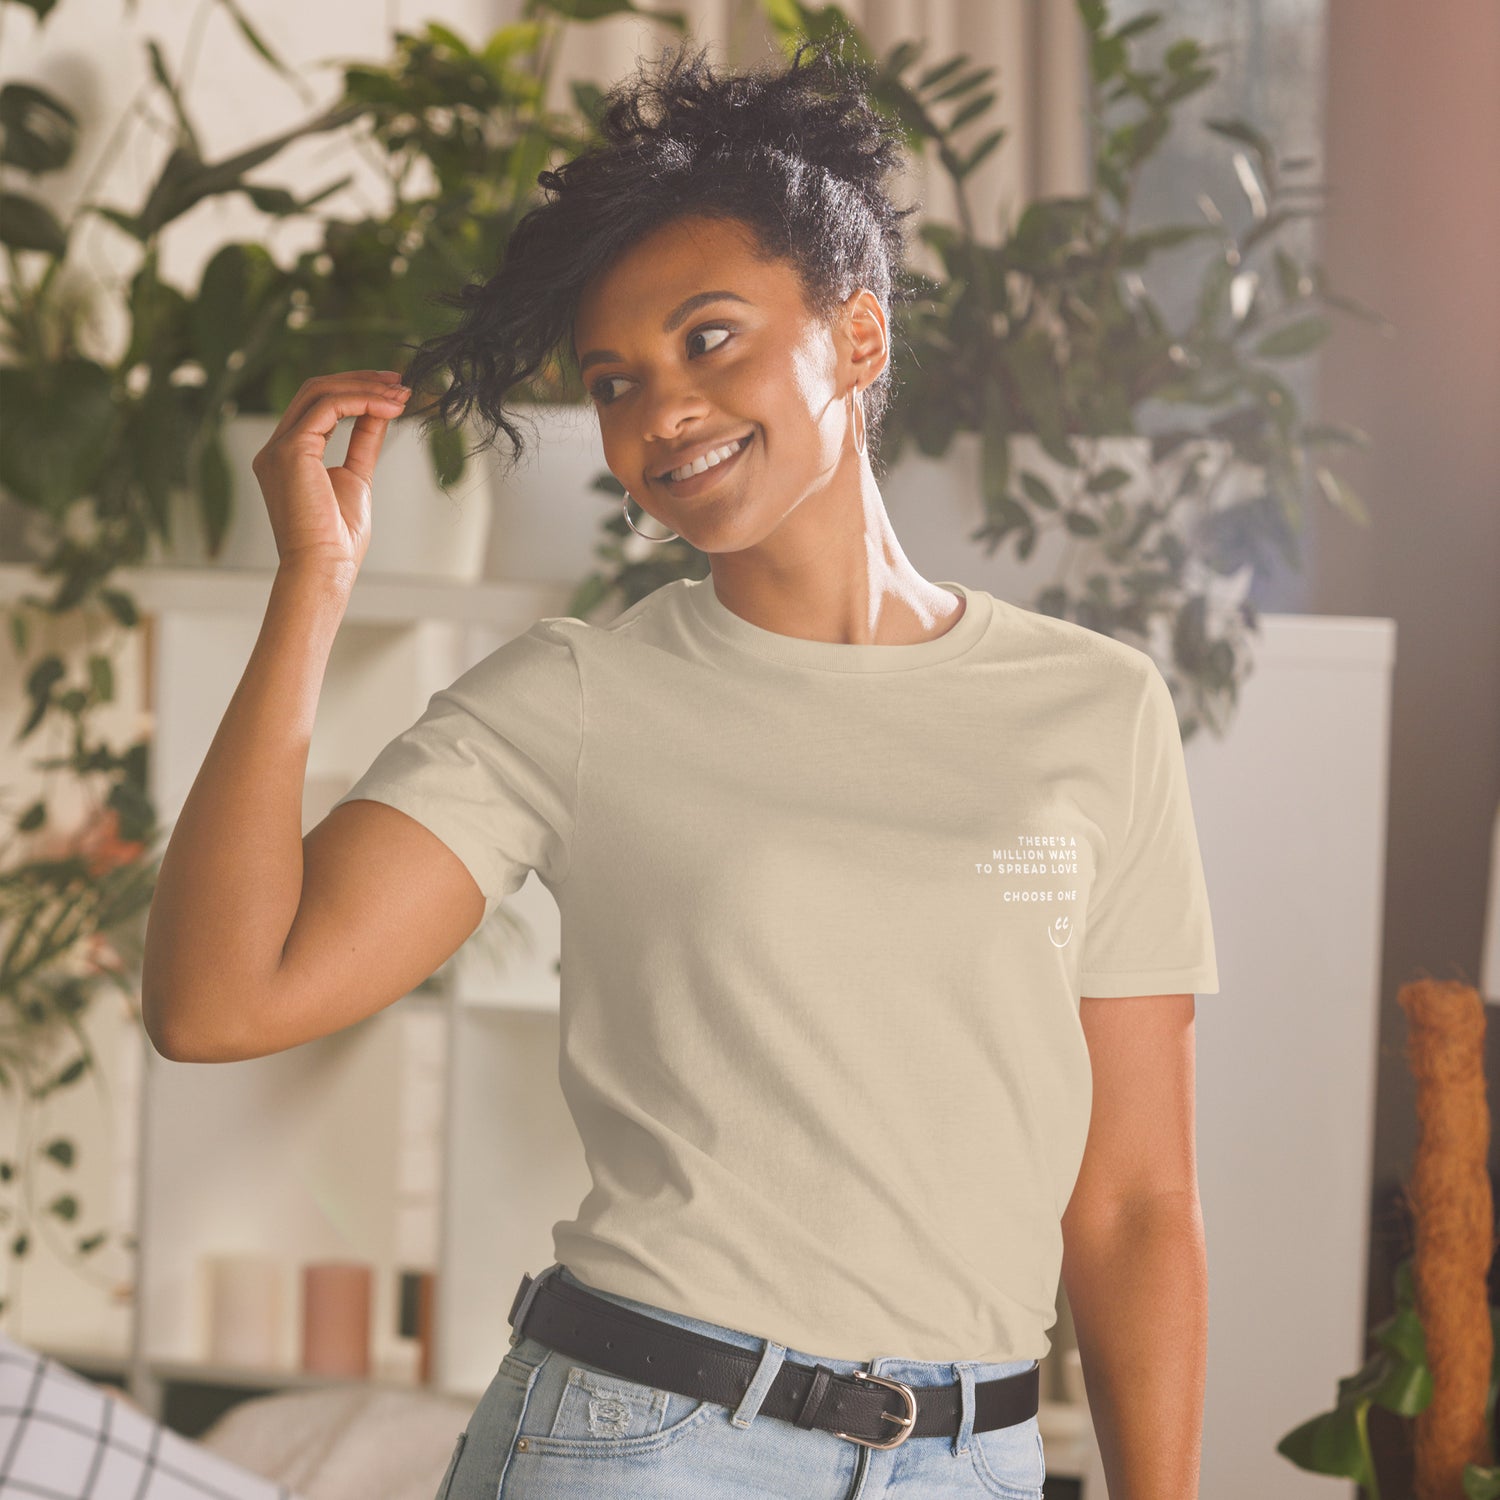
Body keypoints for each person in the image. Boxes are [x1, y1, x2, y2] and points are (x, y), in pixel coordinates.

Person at [141, 31, 1220, 1500]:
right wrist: (311, 591)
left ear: (858, 335)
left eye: (708, 338)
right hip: (641, 1444)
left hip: (978, 1462)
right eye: (613, 381)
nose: (659, 415)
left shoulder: (1094, 708)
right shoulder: (578, 696)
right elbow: (217, 1000)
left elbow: (1139, 1203)